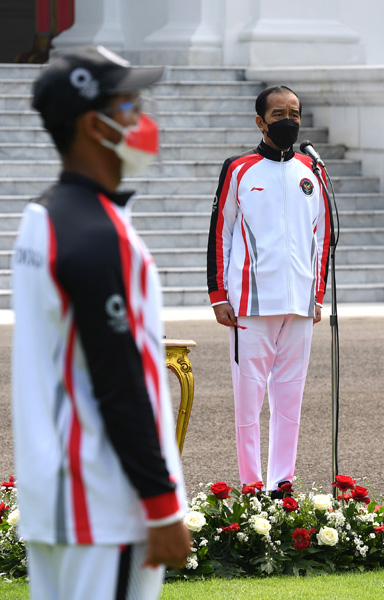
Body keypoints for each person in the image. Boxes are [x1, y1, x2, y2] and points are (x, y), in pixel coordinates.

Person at [11, 46, 191, 599]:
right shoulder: (96, 235)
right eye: (129, 103)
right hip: (105, 502)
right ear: (95, 124)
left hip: (62, 496)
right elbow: (120, 378)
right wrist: (162, 505)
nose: (143, 118)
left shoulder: (45, 216)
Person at [207, 85, 331, 495]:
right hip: (249, 304)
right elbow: (219, 234)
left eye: (294, 113)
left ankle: (282, 482)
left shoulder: (311, 172)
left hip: (298, 303)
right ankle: (252, 484)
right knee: (249, 401)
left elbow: (321, 235)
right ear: (260, 122)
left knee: (289, 400)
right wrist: (218, 294)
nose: (288, 121)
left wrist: (316, 296)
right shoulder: (239, 168)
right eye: (278, 114)